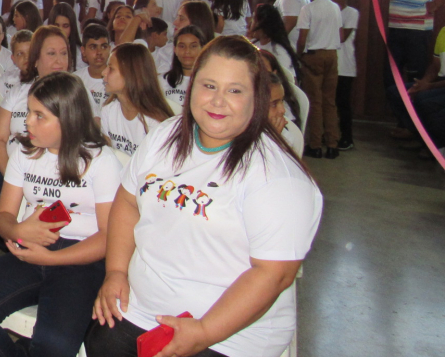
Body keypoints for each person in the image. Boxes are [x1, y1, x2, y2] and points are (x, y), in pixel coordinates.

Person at [87, 36, 322, 357]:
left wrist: (204, 331)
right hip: (140, 310)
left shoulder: (278, 177)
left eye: (235, 90)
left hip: (229, 334)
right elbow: (128, 202)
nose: (218, 101)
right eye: (208, 86)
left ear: (258, 98)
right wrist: (115, 271)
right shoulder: (164, 136)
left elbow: (274, 274)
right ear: (192, 88)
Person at [0, 72, 121, 356]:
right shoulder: (24, 153)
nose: (28, 121)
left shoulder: (100, 162)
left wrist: (53, 258)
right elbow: (2, 215)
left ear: (68, 119)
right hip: (30, 249)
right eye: (29, 112)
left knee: (53, 343)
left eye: (39, 116)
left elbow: (109, 238)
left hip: (82, 259)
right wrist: (17, 231)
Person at [0, 27, 69, 252]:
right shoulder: (19, 92)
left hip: (55, 175)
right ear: (36, 59)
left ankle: (36, 254)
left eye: (64, 53)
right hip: (15, 171)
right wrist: (11, 175)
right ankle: (20, 249)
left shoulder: (73, 94)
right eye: (51, 53)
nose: (59, 60)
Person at [295, 0, 343, 159]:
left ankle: (315, 145)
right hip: (332, 55)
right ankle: (332, 144)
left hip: (313, 57)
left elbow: (302, 39)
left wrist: (298, 56)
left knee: (314, 102)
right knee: (329, 101)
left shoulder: (308, 9)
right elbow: (338, 33)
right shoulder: (334, 7)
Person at [101, 44, 173, 155]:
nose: (103, 72)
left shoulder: (155, 124)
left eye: (111, 68)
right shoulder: (108, 111)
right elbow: (109, 156)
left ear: (130, 75)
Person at [328, 0, 358, 151]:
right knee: (328, 103)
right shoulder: (327, 11)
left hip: (344, 66)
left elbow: (341, 37)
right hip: (330, 65)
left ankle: (347, 137)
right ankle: (331, 135)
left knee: (342, 104)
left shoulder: (351, 13)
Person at [249, 4, 300, 83]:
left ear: (262, 25)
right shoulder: (253, 44)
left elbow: (291, 81)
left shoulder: (278, 50)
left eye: (253, 20)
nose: (250, 24)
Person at [160, 25, 207, 105]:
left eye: (193, 46)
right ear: (175, 50)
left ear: (203, 48)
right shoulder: (161, 81)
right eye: (182, 46)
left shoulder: (210, 82)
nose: (187, 51)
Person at [75, 23, 112, 114]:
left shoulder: (118, 79)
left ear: (109, 49)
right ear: (83, 51)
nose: (99, 52)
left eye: (104, 47)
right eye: (93, 47)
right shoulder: (75, 80)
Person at [49, 2, 84, 71]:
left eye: (65, 26)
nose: (60, 30)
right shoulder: (42, 49)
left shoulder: (79, 53)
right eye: (56, 26)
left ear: (72, 27)